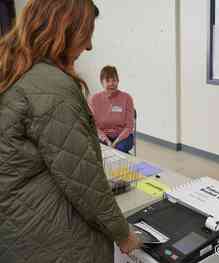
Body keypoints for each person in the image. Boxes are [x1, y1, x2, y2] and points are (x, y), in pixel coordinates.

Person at [0, 1, 140, 262]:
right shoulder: (53, 87)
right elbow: (84, 182)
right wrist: (123, 235)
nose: (89, 47)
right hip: (55, 242)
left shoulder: (12, 67)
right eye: (86, 35)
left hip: (16, 228)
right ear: (63, 29)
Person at [89, 65, 135, 153]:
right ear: (101, 82)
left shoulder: (127, 98)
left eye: (114, 80)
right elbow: (93, 126)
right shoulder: (94, 99)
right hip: (102, 135)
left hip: (123, 136)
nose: (111, 84)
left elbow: (129, 126)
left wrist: (116, 142)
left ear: (118, 81)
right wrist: (106, 140)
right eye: (107, 81)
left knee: (118, 150)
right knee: (98, 149)